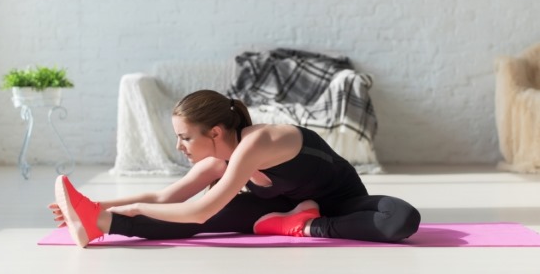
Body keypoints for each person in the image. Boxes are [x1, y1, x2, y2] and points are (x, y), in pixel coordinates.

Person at [50, 89, 421, 247]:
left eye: (185, 138)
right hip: (281, 207)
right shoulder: (217, 159)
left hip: (341, 205)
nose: (179, 147)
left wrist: (139, 208)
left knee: (400, 219)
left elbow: (200, 210)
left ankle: (304, 226)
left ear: (214, 132)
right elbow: (166, 197)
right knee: (197, 215)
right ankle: (99, 227)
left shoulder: (258, 142)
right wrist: (92, 207)